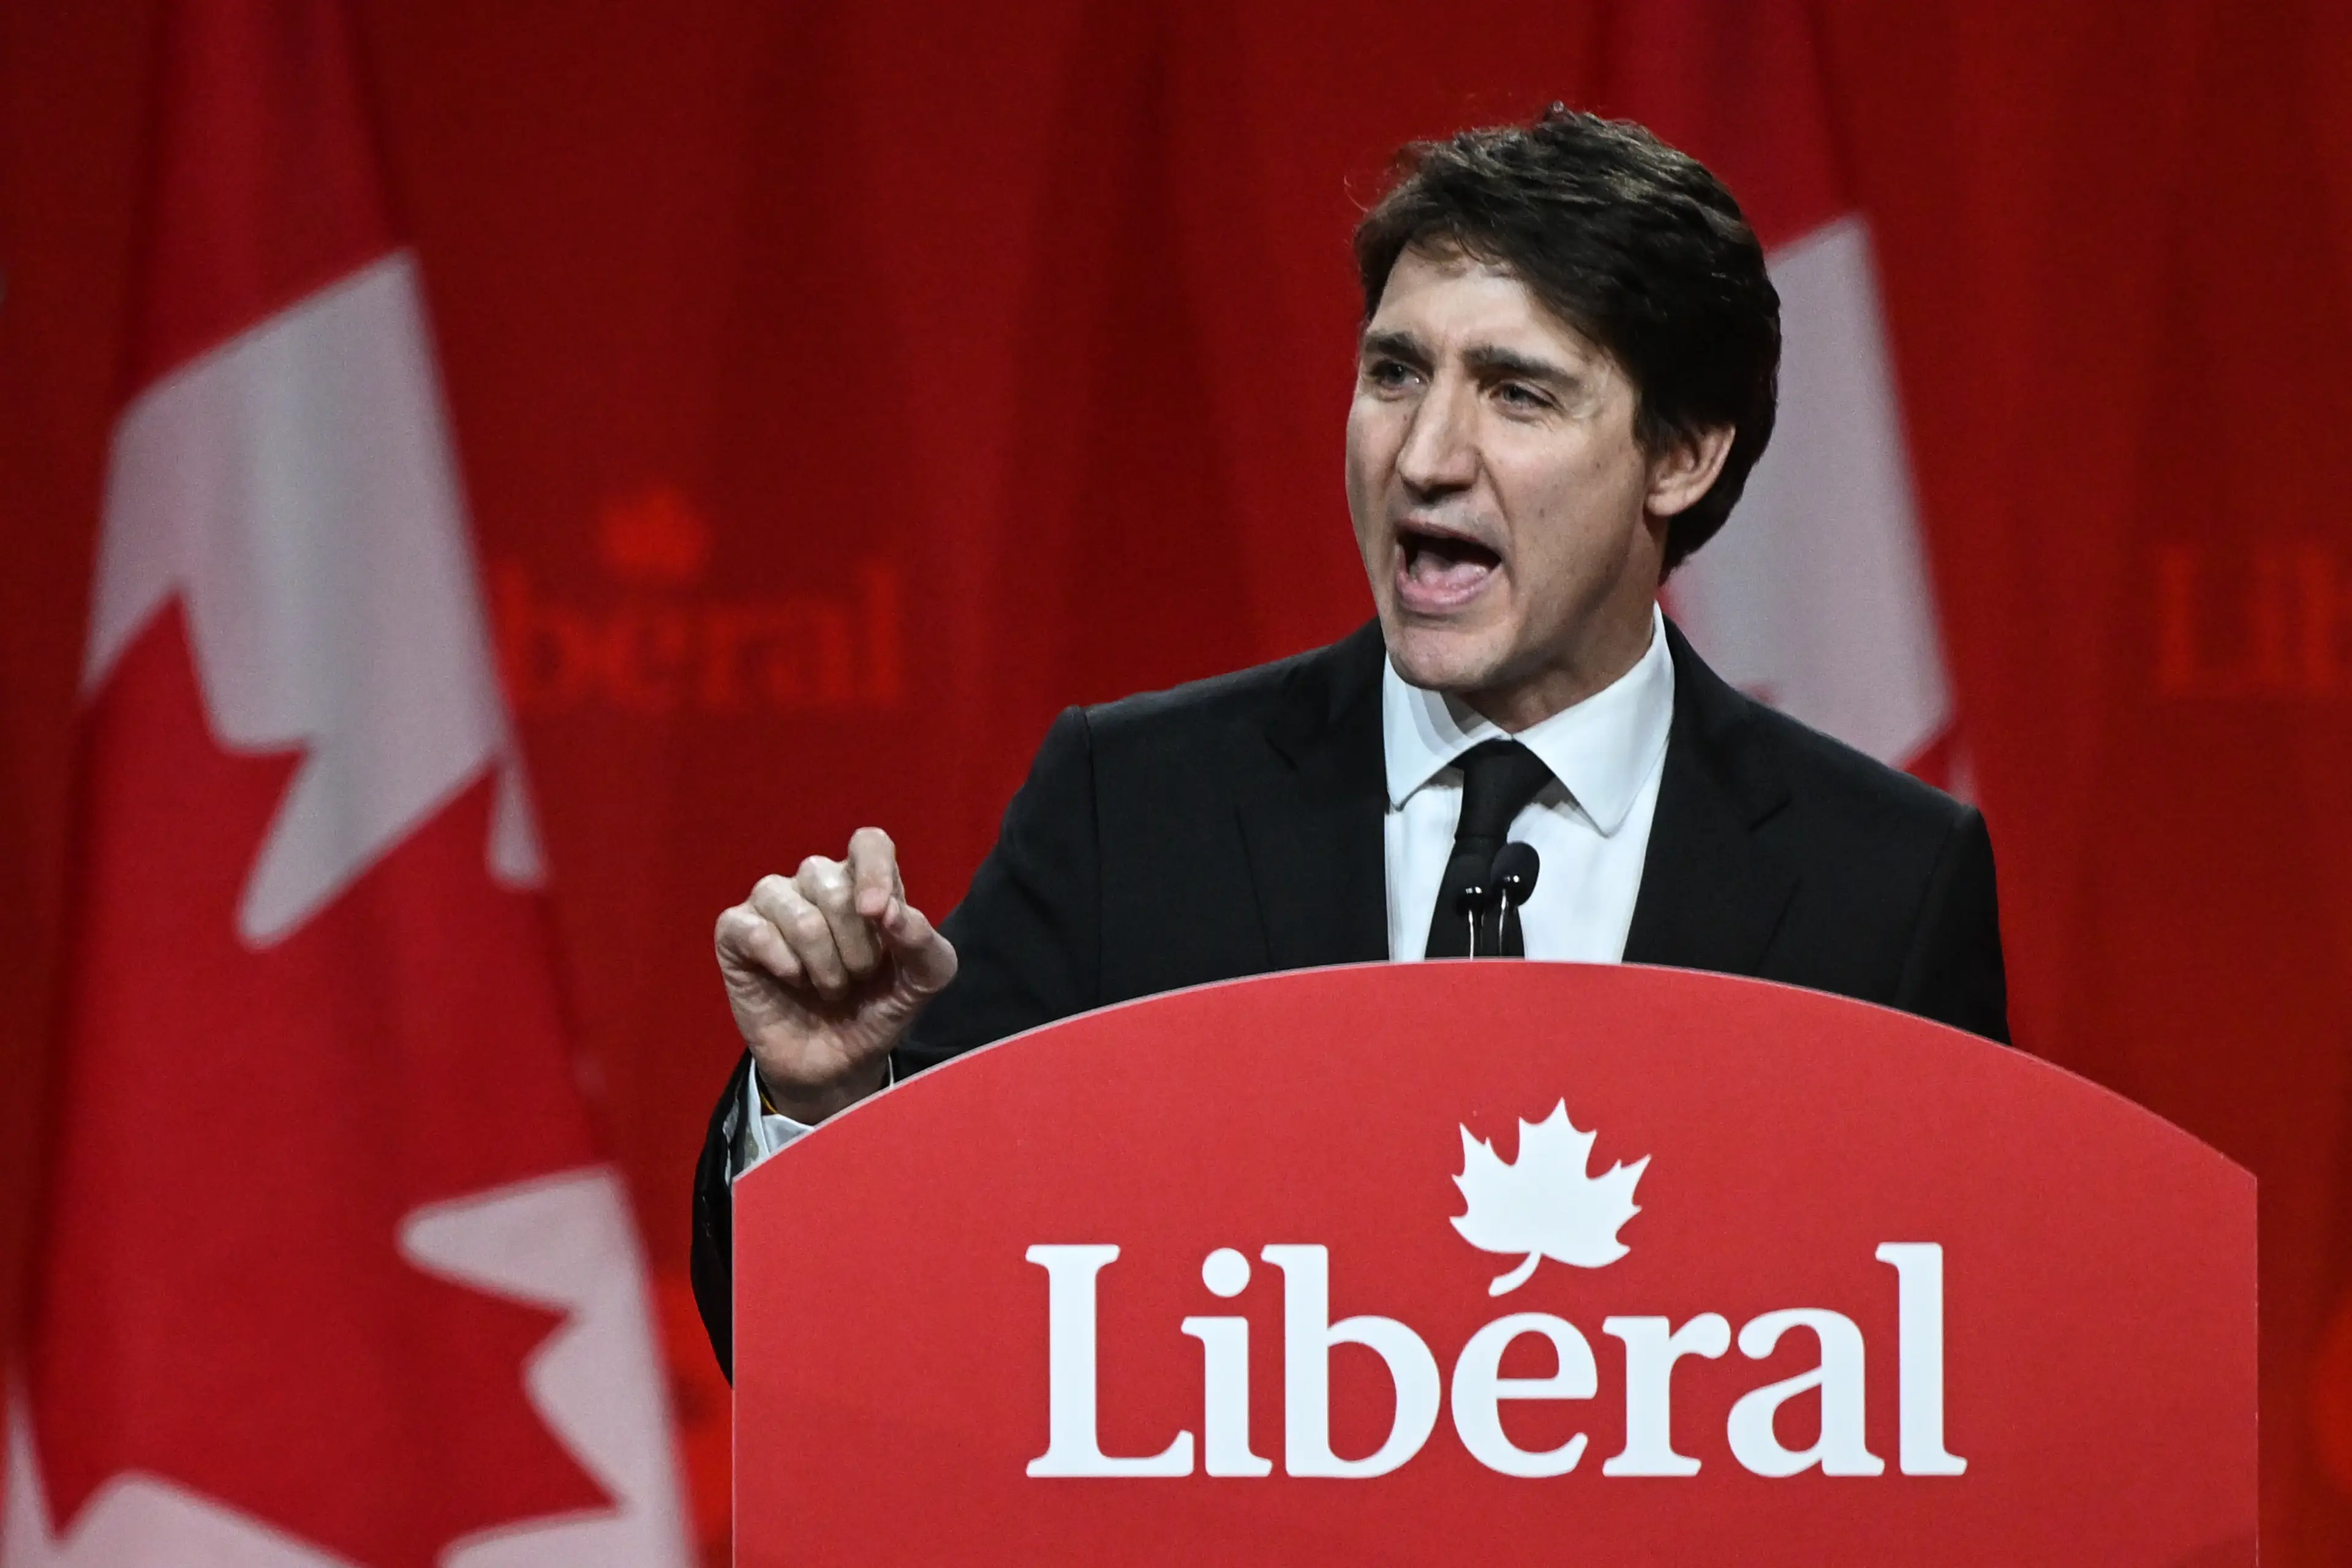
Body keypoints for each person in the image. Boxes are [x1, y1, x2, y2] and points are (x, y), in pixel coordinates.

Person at [690, 107, 2007, 1377]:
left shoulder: (1880, 884)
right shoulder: (1136, 810)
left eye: (1518, 393)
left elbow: (1952, 1379)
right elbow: (853, 1359)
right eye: (1396, 373)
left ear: (1681, 458)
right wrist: (825, 1101)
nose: (1426, 454)